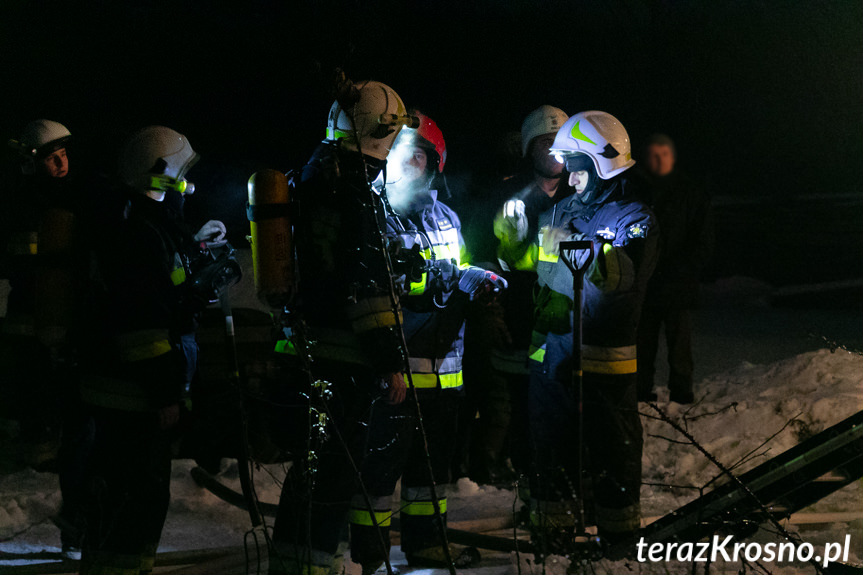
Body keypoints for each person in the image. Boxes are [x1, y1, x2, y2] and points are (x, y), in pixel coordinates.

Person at [266, 80, 413, 575]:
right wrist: (391, 361)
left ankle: (293, 564)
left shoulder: (311, 179)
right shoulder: (356, 193)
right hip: (346, 359)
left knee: (311, 474)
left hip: (308, 353)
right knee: (331, 477)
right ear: (382, 132)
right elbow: (365, 288)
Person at [347, 111, 504, 573]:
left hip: (443, 376)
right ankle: (369, 558)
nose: (399, 160)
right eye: (398, 150)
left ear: (425, 162)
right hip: (396, 373)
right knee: (378, 475)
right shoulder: (375, 213)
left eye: (411, 153)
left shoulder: (445, 216)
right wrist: (443, 279)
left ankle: (428, 546)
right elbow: (383, 286)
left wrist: (476, 279)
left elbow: (452, 272)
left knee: (430, 481)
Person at [501, 110, 658, 556]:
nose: (567, 177)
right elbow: (533, 269)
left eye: (575, 165)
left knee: (614, 457)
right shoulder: (561, 211)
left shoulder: (633, 216)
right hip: (551, 364)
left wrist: (582, 246)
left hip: (603, 366)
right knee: (550, 455)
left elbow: (621, 281)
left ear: (598, 163)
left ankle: (619, 546)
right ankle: (551, 544)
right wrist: (513, 242)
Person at [77, 125, 227, 575]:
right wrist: (166, 395)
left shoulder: (140, 226)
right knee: (133, 506)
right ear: (160, 176)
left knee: (126, 507)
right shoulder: (138, 234)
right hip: (134, 399)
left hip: (127, 395)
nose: (189, 185)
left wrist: (195, 270)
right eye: (182, 175)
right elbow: (143, 328)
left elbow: (164, 300)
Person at [1, 119, 93, 553]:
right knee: (44, 431)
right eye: (49, 157)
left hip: (64, 329)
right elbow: (24, 268)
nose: (60, 162)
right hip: (32, 332)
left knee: (75, 431)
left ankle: (78, 523)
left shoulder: (76, 197)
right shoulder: (24, 206)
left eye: (63, 153)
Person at [636, 133, 714, 404]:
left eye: (663, 154)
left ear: (672, 156)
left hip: (677, 283)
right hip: (646, 282)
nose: (658, 160)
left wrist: (684, 269)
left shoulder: (689, 192)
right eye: (653, 155)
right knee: (642, 341)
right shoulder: (639, 189)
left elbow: (703, 239)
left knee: (679, 343)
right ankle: (640, 388)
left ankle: (682, 392)